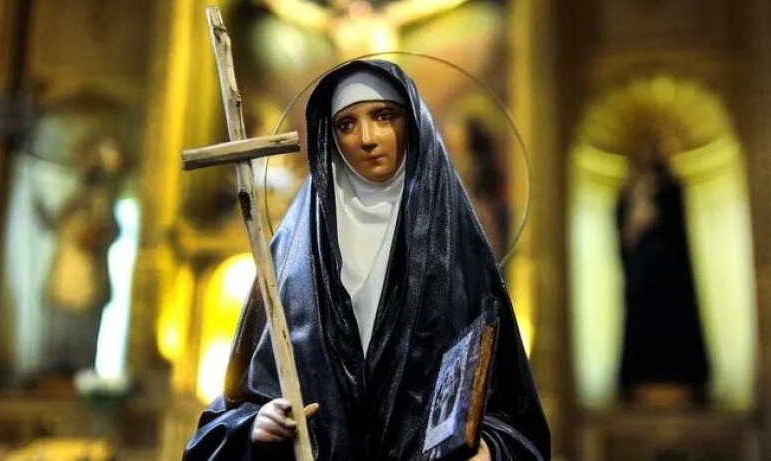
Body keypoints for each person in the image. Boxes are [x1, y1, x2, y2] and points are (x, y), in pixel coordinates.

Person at [183, 59, 549, 460]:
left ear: (413, 124)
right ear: (329, 136)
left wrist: (489, 449)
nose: (367, 138)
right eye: (346, 124)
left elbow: (511, 414)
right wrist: (256, 423)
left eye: (383, 116)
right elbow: (233, 408)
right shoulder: (292, 254)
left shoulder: (458, 251)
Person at [616, 138, 709, 404]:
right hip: (642, 274)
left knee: (673, 323)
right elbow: (624, 234)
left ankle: (681, 381)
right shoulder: (630, 191)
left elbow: (679, 231)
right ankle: (641, 381)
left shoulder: (670, 189)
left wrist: (655, 215)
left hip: (669, 274)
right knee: (642, 325)